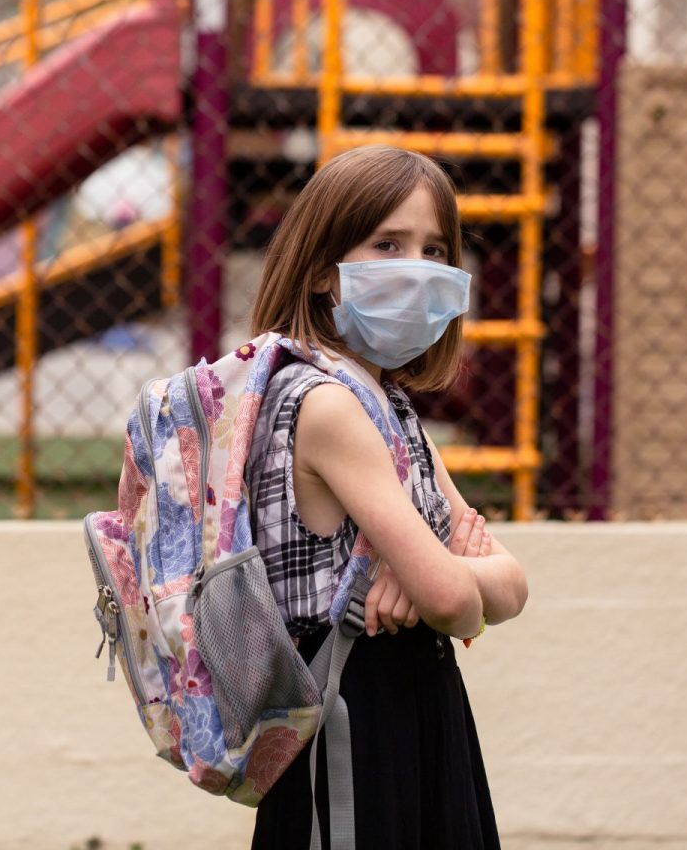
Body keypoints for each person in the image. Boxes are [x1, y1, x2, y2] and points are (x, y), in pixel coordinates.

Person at [245, 145, 529, 849]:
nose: (418, 267)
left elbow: (513, 586)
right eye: (388, 244)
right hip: (353, 723)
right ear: (322, 273)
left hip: (420, 707)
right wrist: (446, 574)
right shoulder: (327, 405)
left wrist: (429, 570)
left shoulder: (390, 405)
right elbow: (460, 603)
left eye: (435, 249)